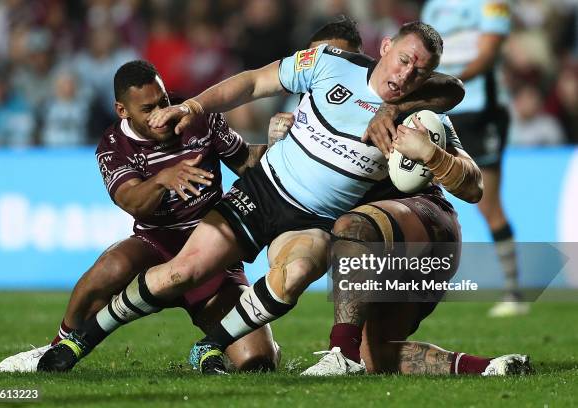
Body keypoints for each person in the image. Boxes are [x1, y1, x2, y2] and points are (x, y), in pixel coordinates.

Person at [37, 22, 471, 375]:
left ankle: (212, 344)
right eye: (403, 60)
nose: (405, 74)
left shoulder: (422, 112)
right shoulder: (328, 64)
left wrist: (393, 113)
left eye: (419, 70)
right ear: (386, 46)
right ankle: (80, 340)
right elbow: (251, 83)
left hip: (316, 220)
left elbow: (455, 89)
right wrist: (192, 108)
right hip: (262, 192)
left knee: (295, 274)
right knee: (180, 273)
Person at [267, 18, 531, 377]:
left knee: (354, 225)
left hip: (425, 225)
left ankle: (339, 355)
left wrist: (432, 154)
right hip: (378, 251)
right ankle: (490, 368)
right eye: (318, 59)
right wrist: (271, 146)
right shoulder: (308, 117)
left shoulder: (413, 109)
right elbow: (270, 184)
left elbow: (473, 186)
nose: (329, 68)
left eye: (340, 59)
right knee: (376, 355)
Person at [0, 60, 279, 373]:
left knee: (259, 362)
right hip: (156, 247)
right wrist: (162, 179)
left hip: (212, 252)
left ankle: (217, 350)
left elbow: (245, 162)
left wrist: (280, 147)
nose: (161, 114)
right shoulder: (114, 145)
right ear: (123, 111)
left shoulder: (200, 119)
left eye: (164, 102)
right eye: (148, 109)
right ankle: (56, 346)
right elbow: (132, 201)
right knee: (112, 266)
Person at [422, 0, 528, 317]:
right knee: (431, 196)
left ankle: (514, 292)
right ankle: (435, 284)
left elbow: (487, 54)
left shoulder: (491, 3)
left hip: (483, 112)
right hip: (444, 113)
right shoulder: (433, 7)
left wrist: (443, 84)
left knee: (488, 204)